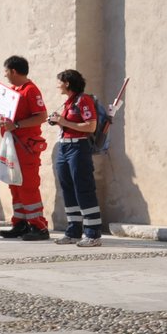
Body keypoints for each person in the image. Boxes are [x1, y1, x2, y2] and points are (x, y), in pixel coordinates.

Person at [0, 55, 50, 240]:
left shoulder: (31, 91)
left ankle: (39, 226)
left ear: (13, 71)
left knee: (28, 186)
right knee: (15, 184)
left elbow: (42, 116)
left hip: (26, 145)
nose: (5, 76)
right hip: (12, 145)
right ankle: (20, 223)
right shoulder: (12, 91)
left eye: (6, 72)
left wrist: (17, 125)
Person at [47, 69, 102, 247]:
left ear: (67, 83)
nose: (58, 85)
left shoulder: (83, 100)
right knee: (68, 188)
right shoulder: (69, 102)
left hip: (78, 147)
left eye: (59, 81)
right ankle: (74, 231)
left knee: (83, 188)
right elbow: (69, 123)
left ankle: (93, 234)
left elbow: (91, 126)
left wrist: (63, 122)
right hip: (64, 147)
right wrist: (58, 121)